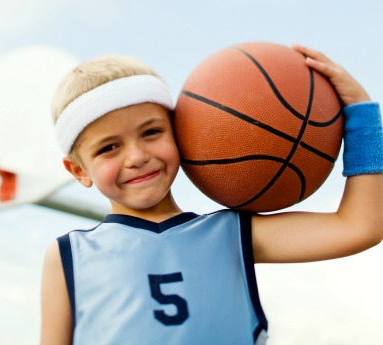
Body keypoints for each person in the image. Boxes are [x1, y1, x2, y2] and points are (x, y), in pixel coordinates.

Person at [40, 46, 383, 345]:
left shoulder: (231, 235)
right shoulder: (69, 255)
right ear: (78, 171)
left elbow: (360, 226)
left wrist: (362, 115)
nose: (137, 156)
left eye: (151, 132)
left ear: (179, 132)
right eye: (109, 148)